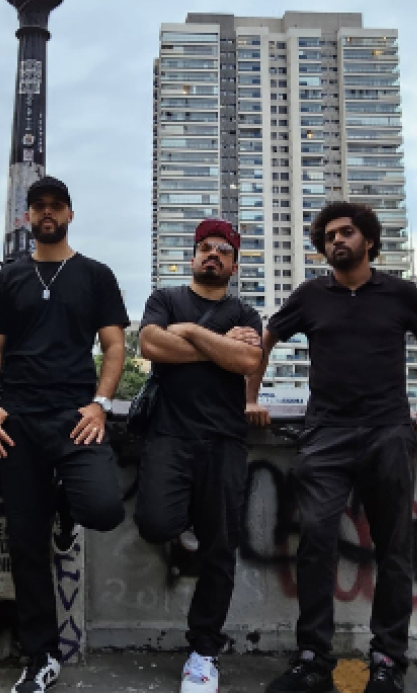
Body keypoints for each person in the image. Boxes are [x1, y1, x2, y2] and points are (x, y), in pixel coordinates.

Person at [246, 202, 417, 693]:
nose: (337, 240)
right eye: (329, 236)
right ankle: (314, 658)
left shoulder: (400, 293)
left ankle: (387, 661)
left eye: (347, 232)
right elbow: (265, 340)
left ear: (369, 241)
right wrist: (249, 399)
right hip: (326, 435)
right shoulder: (310, 296)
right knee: (316, 541)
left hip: (388, 433)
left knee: (394, 550)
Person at [0, 176, 130, 693]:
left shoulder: (95, 275)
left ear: (69, 213)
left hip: (73, 417)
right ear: (27, 218)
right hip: (17, 421)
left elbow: (114, 347)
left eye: (55, 206)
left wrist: (101, 404)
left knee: (104, 508)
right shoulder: (11, 277)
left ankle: (67, 506)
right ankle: (41, 655)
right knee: (24, 543)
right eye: (37, 207)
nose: (47, 214)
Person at [135, 219, 263, 693]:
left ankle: (204, 651)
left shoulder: (246, 313)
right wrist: (220, 346)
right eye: (205, 248)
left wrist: (186, 334)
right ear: (193, 256)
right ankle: (186, 518)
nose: (212, 255)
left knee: (219, 549)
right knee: (155, 522)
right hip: (168, 435)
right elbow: (149, 344)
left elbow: (250, 362)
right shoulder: (166, 300)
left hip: (224, 440)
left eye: (222, 250)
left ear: (234, 263)